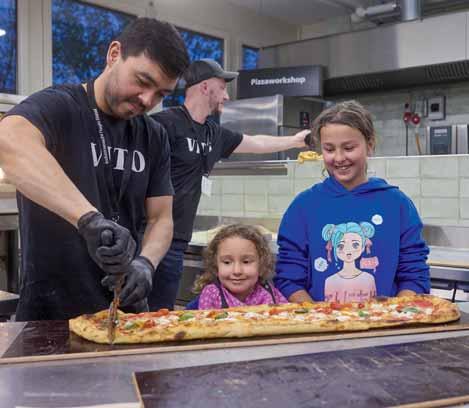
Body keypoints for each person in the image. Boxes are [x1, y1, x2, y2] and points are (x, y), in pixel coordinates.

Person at [0, 18, 190, 320]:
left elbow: (161, 219)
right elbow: (9, 140)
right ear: (114, 54)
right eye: (142, 81)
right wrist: (88, 220)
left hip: (124, 313)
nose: (147, 100)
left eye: (161, 94)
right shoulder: (61, 106)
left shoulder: (154, 136)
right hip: (51, 313)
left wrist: (146, 262)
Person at [149, 58, 311, 310]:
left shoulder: (214, 133)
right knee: (136, 313)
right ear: (205, 87)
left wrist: (294, 141)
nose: (226, 96)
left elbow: (256, 142)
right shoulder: (163, 124)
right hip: (148, 237)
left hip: (177, 239)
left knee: (161, 314)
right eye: (222, 88)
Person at [274, 100, 430, 304]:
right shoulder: (303, 207)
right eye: (329, 149)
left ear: (370, 145)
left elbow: (414, 275)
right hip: (319, 322)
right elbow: (288, 278)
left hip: (388, 322)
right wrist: (318, 315)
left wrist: (393, 313)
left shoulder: (397, 204)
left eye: (348, 148)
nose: (339, 158)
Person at [189, 224, 287, 309]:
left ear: (261, 265)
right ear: (215, 266)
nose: (237, 271)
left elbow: (288, 316)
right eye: (227, 262)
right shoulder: (211, 295)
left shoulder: (270, 293)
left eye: (246, 262)